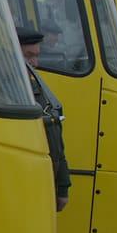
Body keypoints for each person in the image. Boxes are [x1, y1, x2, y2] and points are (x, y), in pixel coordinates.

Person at [17, 27, 71, 212]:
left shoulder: (37, 88)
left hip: (41, 181)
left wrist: (62, 186)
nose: (35, 63)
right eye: (28, 56)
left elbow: (57, 142)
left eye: (36, 56)